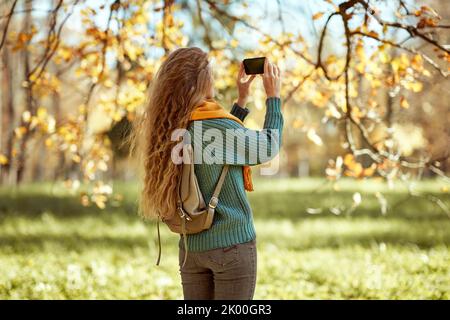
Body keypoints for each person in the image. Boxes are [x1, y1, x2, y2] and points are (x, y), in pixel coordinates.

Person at [131, 47, 283, 300]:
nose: (213, 78)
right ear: (201, 80)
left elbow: (217, 149)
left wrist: (241, 100)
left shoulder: (169, 126)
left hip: (191, 249)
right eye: (210, 73)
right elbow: (267, 146)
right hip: (231, 246)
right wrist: (273, 99)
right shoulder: (217, 126)